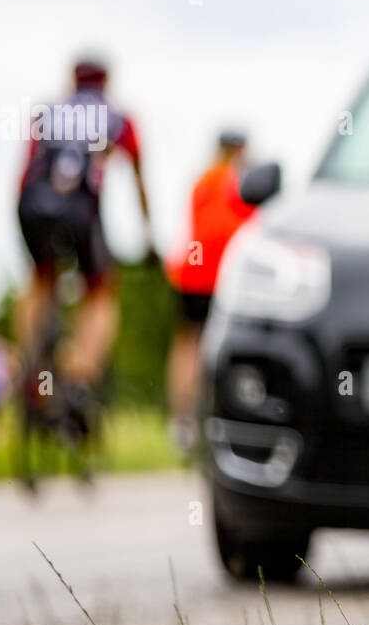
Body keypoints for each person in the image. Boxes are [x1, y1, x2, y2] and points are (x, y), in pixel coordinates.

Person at [13, 56, 155, 425]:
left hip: (32, 206)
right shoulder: (118, 118)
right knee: (100, 290)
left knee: (40, 280)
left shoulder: (46, 113)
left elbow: (25, 173)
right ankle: (81, 381)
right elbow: (138, 180)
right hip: (80, 210)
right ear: (106, 82)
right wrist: (148, 236)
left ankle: (30, 367)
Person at [164, 129, 258, 451]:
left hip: (192, 270)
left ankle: (181, 420)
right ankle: (228, 411)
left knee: (187, 342)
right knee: (228, 340)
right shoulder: (241, 180)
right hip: (225, 274)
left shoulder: (201, 180)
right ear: (240, 151)